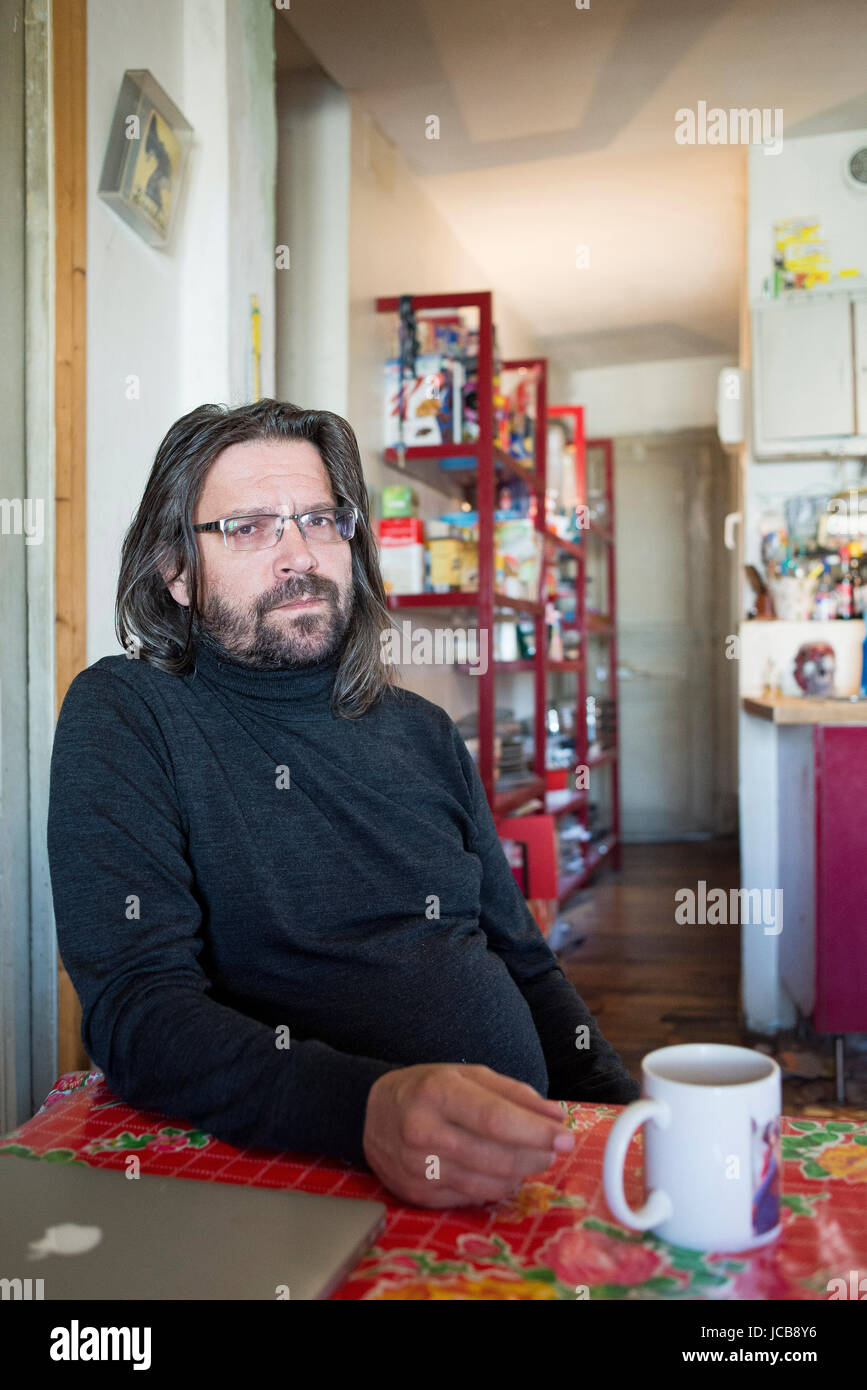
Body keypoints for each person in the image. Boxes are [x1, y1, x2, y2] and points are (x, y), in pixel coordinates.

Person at [47, 398, 639, 1209]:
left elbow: (525, 963)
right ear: (177, 571)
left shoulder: (423, 731)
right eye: (250, 528)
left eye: (320, 520)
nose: (298, 555)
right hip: (309, 1184)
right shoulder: (129, 713)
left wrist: (620, 1121)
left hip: (521, 1170)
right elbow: (137, 1011)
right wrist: (368, 1110)